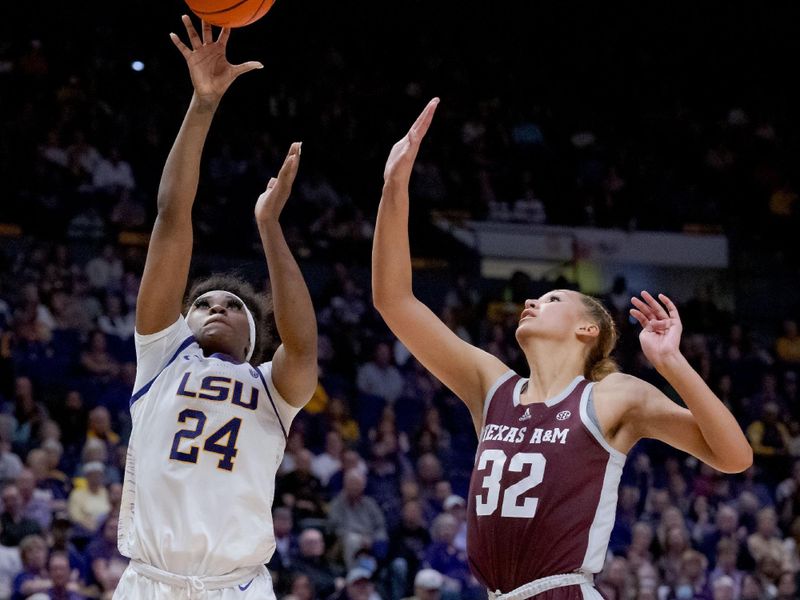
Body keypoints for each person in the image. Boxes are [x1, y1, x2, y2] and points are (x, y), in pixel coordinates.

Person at [371, 98, 753, 599]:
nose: (532, 300)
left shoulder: (613, 396)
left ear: (587, 330)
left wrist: (672, 364)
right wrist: (394, 186)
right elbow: (394, 300)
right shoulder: (492, 385)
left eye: (552, 298)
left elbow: (734, 457)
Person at [112, 15, 317, 599]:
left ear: (253, 338)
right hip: (149, 583)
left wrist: (269, 225)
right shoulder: (160, 360)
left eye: (231, 305)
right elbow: (172, 218)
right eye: (202, 303)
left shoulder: (272, 390)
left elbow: (302, 344)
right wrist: (203, 105)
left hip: (237, 588)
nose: (215, 307)